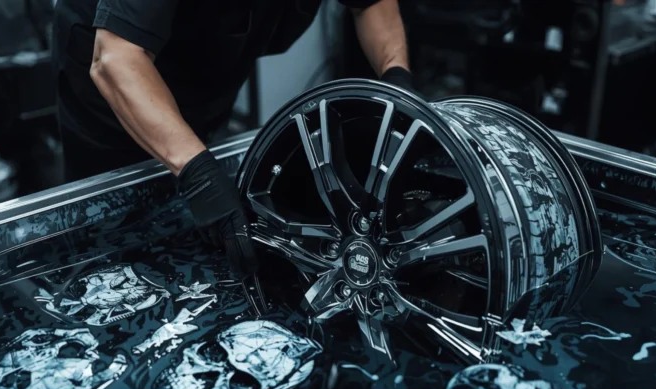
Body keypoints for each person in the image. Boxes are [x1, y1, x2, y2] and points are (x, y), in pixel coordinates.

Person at [52, 0, 413, 279]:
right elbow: (116, 57)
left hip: (205, 69)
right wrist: (199, 175)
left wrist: (397, 77)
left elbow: (370, 4)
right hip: (114, 85)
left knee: (201, 239)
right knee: (114, 247)